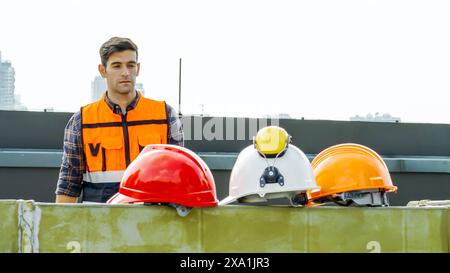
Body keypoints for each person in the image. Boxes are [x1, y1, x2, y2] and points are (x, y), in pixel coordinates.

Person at [55, 37, 184, 203]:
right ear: (103, 70)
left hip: (151, 224)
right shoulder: (81, 121)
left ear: (138, 68)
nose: (126, 72)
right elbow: (69, 184)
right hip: (100, 223)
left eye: (131, 65)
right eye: (117, 66)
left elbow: (177, 178)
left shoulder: (165, 115)